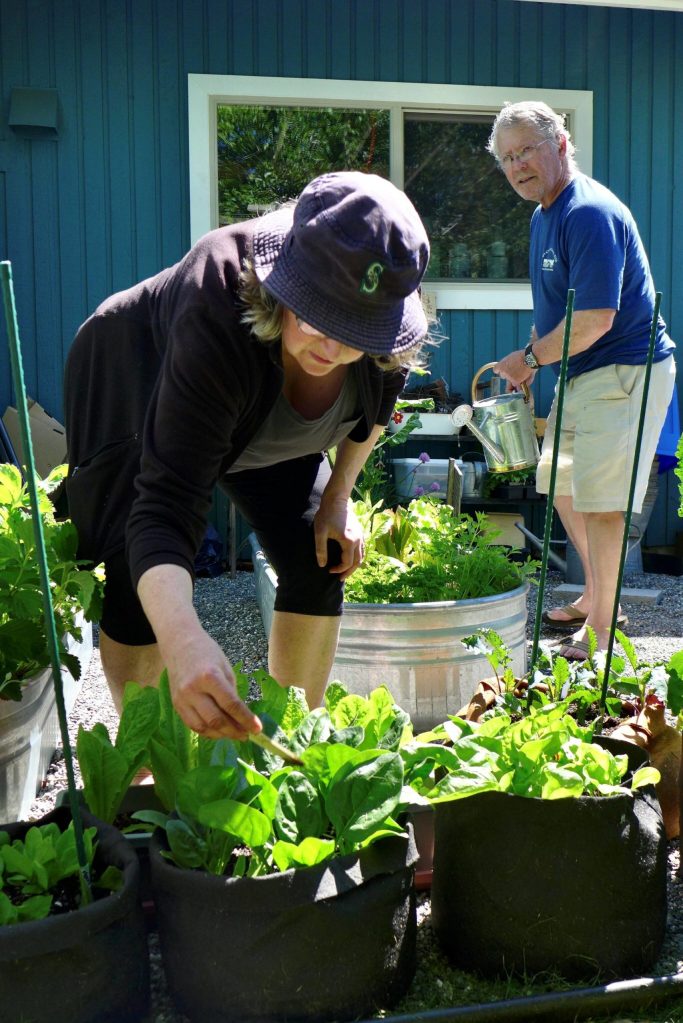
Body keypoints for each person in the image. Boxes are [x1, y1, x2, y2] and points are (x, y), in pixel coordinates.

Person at [62, 171, 430, 737]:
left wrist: (337, 498)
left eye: (355, 332)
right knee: (136, 568)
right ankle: (146, 764)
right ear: (283, 282)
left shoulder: (382, 310)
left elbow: (374, 414)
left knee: (317, 556)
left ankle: (290, 742)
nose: (332, 349)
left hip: (263, 422)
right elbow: (166, 507)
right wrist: (185, 640)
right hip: (135, 376)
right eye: (316, 318)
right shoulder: (219, 297)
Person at [488, 101, 676, 660]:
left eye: (526, 150)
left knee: (603, 503)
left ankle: (598, 634)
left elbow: (596, 318)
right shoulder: (544, 213)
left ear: (562, 143)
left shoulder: (588, 212)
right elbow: (557, 309)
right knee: (564, 487)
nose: (517, 165)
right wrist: (535, 356)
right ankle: (601, 596)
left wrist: (528, 358)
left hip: (624, 369)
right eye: (507, 158)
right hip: (581, 368)